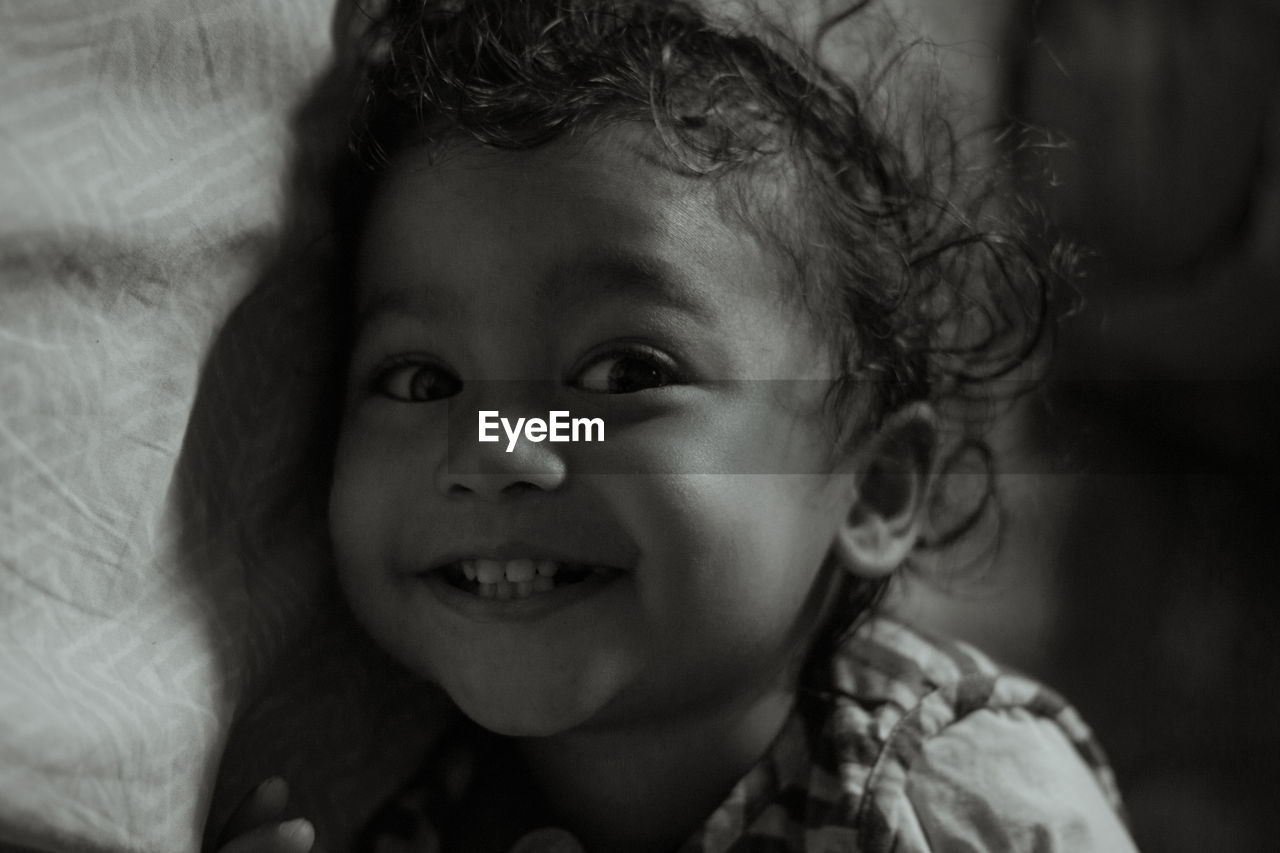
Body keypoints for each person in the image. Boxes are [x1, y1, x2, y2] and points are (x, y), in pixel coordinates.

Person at [215, 0, 1138, 850]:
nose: (497, 450)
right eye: (422, 379)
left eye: (625, 374)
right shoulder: (390, 814)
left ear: (876, 484)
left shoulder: (959, 800)